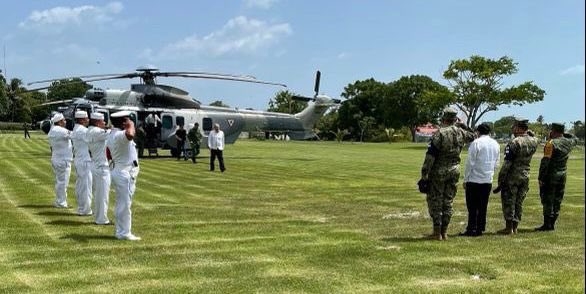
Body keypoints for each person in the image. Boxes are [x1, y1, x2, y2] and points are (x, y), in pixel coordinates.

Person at [419, 108, 476, 240]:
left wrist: (424, 175)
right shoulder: (461, 132)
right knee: (448, 200)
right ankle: (444, 232)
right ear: (455, 119)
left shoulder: (440, 134)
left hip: (439, 170)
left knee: (436, 200)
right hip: (454, 170)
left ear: (443, 119)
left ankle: (436, 231)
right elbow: (473, 136)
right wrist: (463, 125)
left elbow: (430, 157)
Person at [494, 117, 539, 235]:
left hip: (513, 175)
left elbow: (507, 164)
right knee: (519, 201)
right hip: (525, 174)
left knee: (509, 200)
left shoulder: (515, 142)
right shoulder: (534, 140)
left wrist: (501, 179)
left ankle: (509, 228)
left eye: (514, 127)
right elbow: (533, 135)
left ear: (519, 128)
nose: (512, 129)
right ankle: (515, 227)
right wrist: (528, 132)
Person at [535, 123, 578, 231]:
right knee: (558, 199)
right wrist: (565, 134)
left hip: (551, 174)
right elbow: (575, 138)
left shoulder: (551, 143)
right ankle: (553, 223)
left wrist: (541, 177)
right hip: (563, 174)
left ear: (553, 131)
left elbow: (545, 162)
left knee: (548, 198)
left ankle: (547, 224)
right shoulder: (569, 142)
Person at [460, 123, 500, 237]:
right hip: (487, 180)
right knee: (483, 205)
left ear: (478, 132)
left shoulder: (476, 143)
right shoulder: (495, 144)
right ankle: (480, 228)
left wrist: (465, 179)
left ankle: (471, 228)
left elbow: (470, 163)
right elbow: (497, 163)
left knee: (472, 206)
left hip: (474, 179)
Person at [107, 111, 141, 241]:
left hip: (121, 170)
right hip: (123, 172)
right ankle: (123, 232)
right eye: (127, 120)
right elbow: (130, 135)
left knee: (123, 203)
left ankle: (121, 230)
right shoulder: (120, 135)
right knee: (124, 204)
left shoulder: (112, 134)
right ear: (123, 123)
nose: (130, 121)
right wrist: (131, 125)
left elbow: (108, 154)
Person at [87, 112, 112, 225]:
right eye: (103, 121)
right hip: (101, 166)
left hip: (95, 163)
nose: (105, 123)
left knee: (99, 194)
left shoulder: (90, 130)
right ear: (97, 122)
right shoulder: (97, 132)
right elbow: (111, 134)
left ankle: (99, 216)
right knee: (102, 195)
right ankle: (101, 219)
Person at [48, 113, 73, 208]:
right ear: (59, 122)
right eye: (64, 120)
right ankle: (61, 202)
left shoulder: (52, 130)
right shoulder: (61, 130)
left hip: (57, 158)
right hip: (63, 160)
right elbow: (73, 135)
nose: (65, 122)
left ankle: (60, 200)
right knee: (63, 182)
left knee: (60, 181)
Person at [71, 111, 93, 216]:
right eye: (87, 118)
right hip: (84, 160)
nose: (88, 120)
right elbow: (92, 140)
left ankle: (82, 207)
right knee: (86, 186)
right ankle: (85, 209)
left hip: (80, 159)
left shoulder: (76, 129)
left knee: (81, 185)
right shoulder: (82, 130)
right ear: (82, 119)